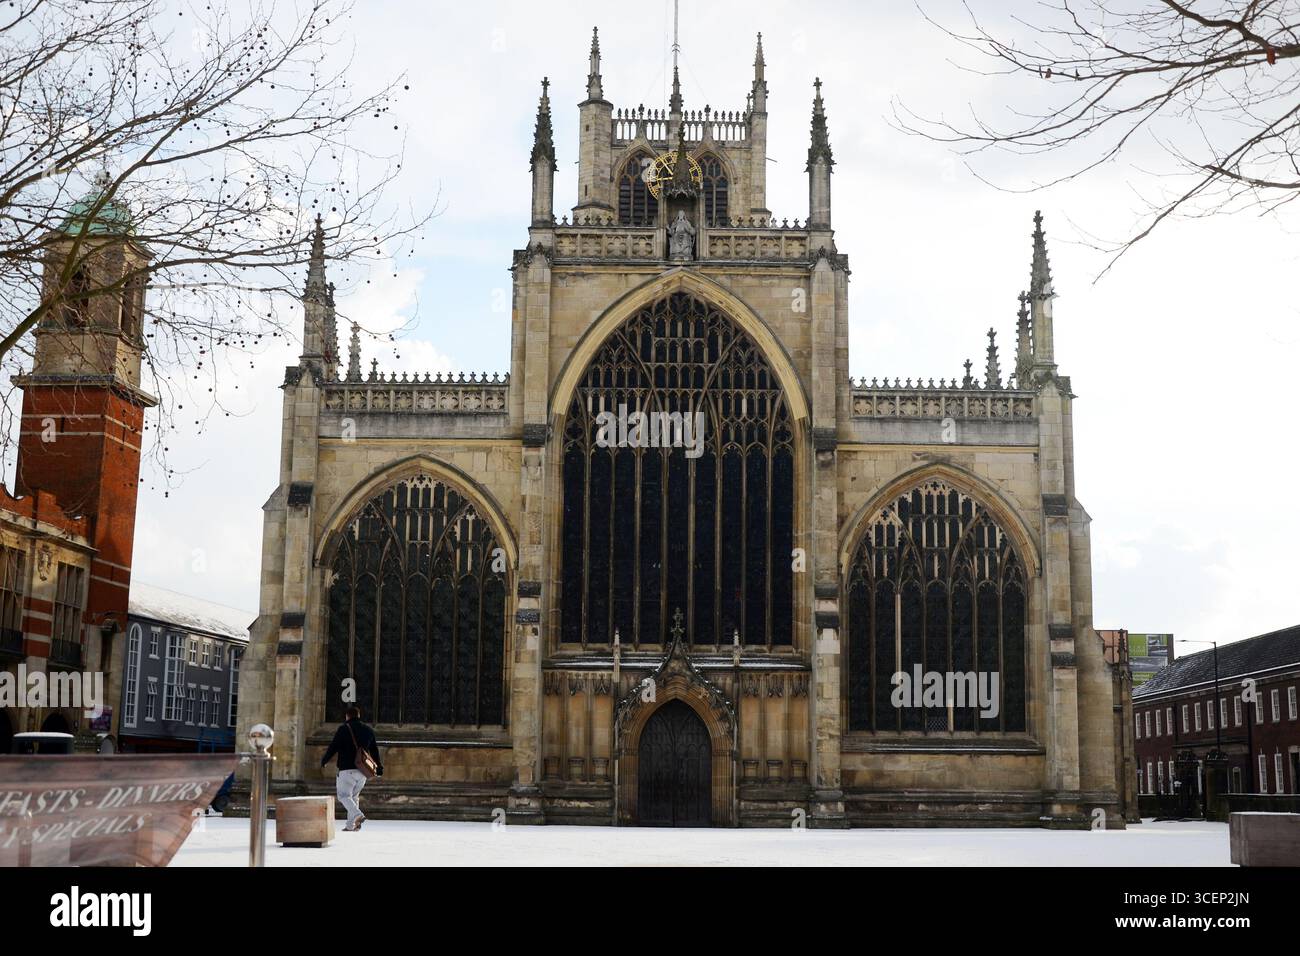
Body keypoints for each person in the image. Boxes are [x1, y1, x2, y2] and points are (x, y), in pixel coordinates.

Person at [321, 705, 383, 831]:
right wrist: (379, 767)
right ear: (358, 716)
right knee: (354, 797)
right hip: (363, 770)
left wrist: (325, 760)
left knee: (343, 796)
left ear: (347, 716)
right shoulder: (368, 730)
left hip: (346, 769)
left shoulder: (343, 729)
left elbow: (334, 747)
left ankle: (358, 815)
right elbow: (374, 751)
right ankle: (351, 825)